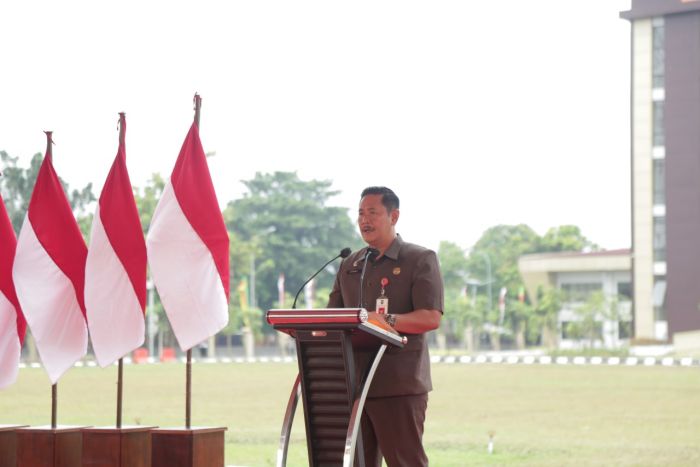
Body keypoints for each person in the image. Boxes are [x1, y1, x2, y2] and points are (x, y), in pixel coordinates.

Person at [327, 186, 444, 466]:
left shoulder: (419, 259)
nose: (364, 220)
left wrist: (384, 321)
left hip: (398, 383)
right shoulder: (349, 264)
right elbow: (333, 318)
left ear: (394, 216)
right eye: (360, 213)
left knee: (405, 462)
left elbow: (430, 317)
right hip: (354, 385)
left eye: (373, 213)